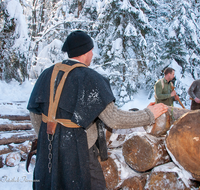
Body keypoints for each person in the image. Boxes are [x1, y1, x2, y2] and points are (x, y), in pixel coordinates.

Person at [27, 30, 168, 190]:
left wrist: (48, 137)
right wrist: (148, 115)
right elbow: (113, 118)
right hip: (80, 153)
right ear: (85, 52)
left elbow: (35, 112)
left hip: (49, 149)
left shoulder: (47, 74)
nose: (92, 54)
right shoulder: (90, 77)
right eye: (91, 51)